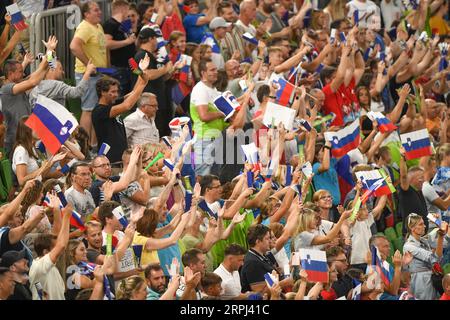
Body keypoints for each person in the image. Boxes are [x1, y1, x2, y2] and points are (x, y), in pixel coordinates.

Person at [70, 1, 108, 149]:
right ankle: (83, 146)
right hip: (88, 75)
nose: (99, 12)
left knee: (95, 110)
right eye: (95, 10)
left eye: (99, 9)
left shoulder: (98, 26)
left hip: (99, 74)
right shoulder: (84, 27)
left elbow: (103, 49)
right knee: (88, 110)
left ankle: (93, 144)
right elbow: (74, 46)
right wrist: (88, 65)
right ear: (86, 14)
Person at [92, 69, 150, 164]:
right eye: (113, 92)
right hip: (110, 162)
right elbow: (128, 105)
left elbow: (134, 93)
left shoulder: (112, 104)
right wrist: (143, 84)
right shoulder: (99, 111)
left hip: (121, 159)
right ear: (102, 92)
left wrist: (141, 74)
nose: (116, 95)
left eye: (117, 91)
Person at [1, 54, 48, 154]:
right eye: (21, 72)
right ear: (10, 73)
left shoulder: (17, 84)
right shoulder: (6, 89)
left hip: (25, 138)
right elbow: (33, 81)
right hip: (15, 141)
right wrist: (46, 57)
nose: (23, 74)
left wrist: (50, 54)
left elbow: (39, 75)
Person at [190, 59, 226, 176]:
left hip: (215, 137)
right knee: (203, 176)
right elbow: (204, 116)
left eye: (216, 69)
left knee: (214, 177)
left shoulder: (213, 90)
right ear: (203, 73)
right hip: (205, 138)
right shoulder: (200, 89)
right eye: (212, 70)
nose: (216, 72)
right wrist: (222, 113)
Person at [29, 204, 72, 300]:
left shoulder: (49, 267)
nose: (59, 250)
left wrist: (57, 209)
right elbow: (61, 245)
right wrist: (66, 217)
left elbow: (58, 236)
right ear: (45, 252)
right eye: (54, 248)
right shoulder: (39, 266)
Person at [403, 213, 449, 300]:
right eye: (420, 224)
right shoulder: (408, 246)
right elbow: (434, 259)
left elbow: (443, 245)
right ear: (412, 228)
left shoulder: (423, 240)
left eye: (424, 223)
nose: (424, 226)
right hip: (421, 282)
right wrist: (440, 236)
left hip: (432, 278)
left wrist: (439, 225)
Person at [103, 0, 137, 96]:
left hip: (129, 66)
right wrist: (126, 42)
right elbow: (107, 44)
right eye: (127, 10)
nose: (128, 13)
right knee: (118, 96)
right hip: (119, 67)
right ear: (122, 9)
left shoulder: (124, 24)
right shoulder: (110, 24)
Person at [29, 60, 96, 108]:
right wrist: (87, 72)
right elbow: (77, 92)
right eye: (60, 69)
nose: (63, 72)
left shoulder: (36, 87)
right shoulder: (56, 85)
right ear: (52, 70)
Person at [398, 148, 428, 235]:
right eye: (421, 177)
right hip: (411, 235)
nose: (423, 180)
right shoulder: (406, 191)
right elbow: (403, 176)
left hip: (422, 234)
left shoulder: (419, 191)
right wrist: (402, 157)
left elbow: (423, 165)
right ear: (411, 178)